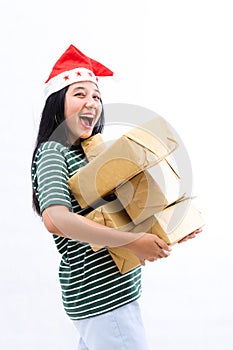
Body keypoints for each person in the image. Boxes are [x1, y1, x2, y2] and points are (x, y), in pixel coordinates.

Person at [31, 44, 202, 350]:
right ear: (58, 103)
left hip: (117, 293)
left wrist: (167, 232)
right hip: (101, 300)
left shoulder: (88, 155)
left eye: (96, 96)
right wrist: (132, 242)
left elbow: (118, 215)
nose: (92, 103)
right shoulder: (53, 152)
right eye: (79, 94)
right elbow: (55, 219)